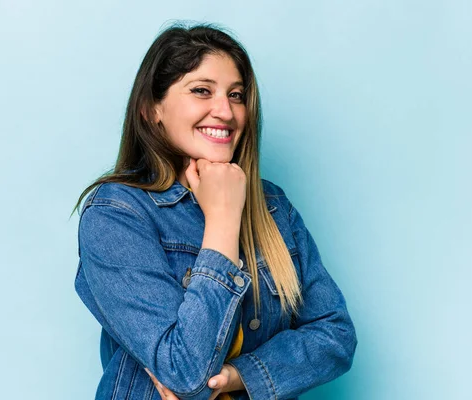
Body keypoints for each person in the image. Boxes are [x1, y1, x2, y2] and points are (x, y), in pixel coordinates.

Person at [72, 22, 357, 400]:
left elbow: (335, 335)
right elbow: (186, 372)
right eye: (202, 91)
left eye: (236, 95)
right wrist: (223, 219)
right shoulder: (117, 214)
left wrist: (240, 376)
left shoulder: (274, 208)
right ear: (151, 110)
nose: (225, 111)